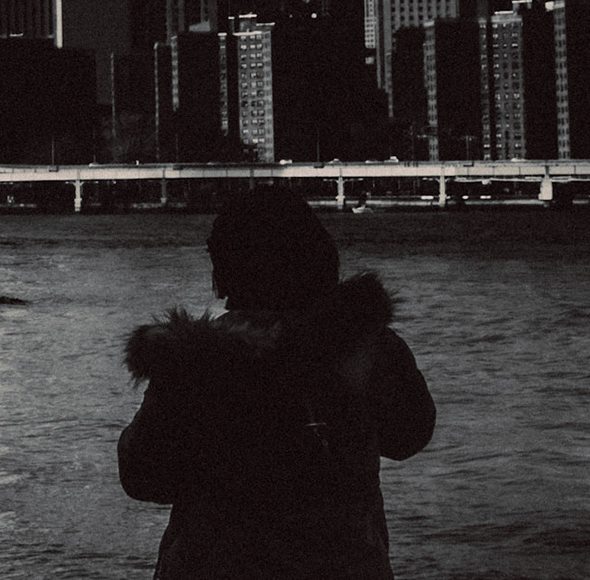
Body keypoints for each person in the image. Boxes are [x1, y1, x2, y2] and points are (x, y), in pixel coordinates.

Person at [118, 185, 436, 579]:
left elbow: (143, 475)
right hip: (345, 563)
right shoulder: (367, 347)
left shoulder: (195, 357)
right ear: (318, 256)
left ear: (225, 268)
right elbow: (411, 435)